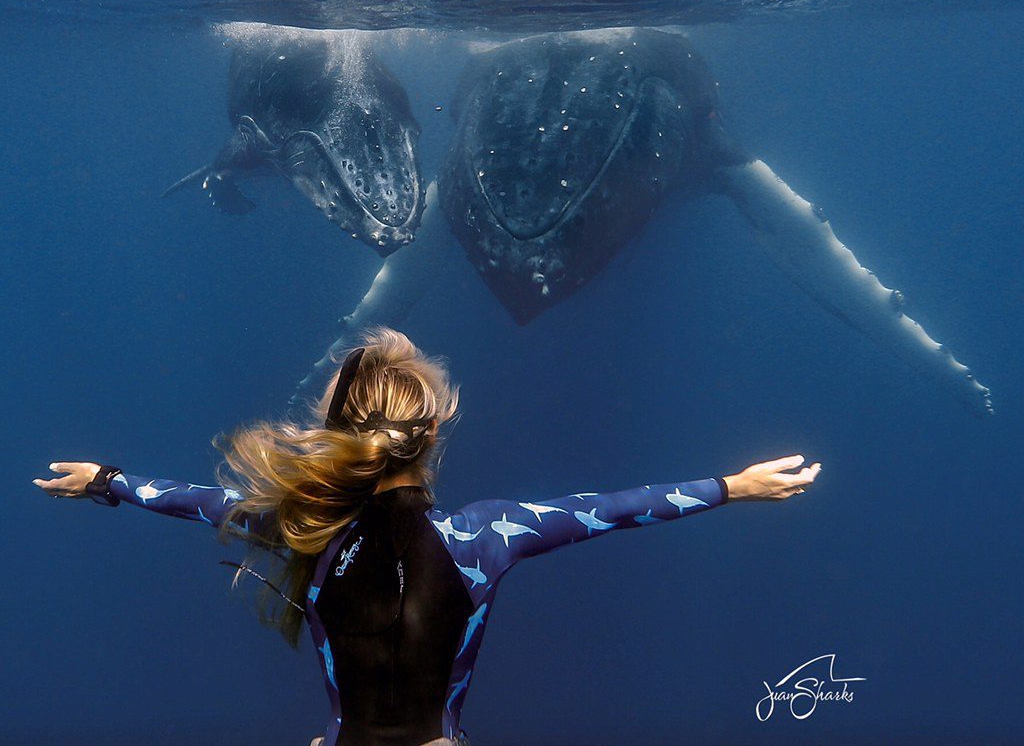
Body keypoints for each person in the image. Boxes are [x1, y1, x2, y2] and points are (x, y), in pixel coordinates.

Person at [33, 328, 821, 746]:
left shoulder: (301, 527)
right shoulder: (486, 539)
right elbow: (613, 507)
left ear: (345, 435)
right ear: (435, 432)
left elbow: (195, 499)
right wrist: (735, 486)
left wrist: (107, 480)